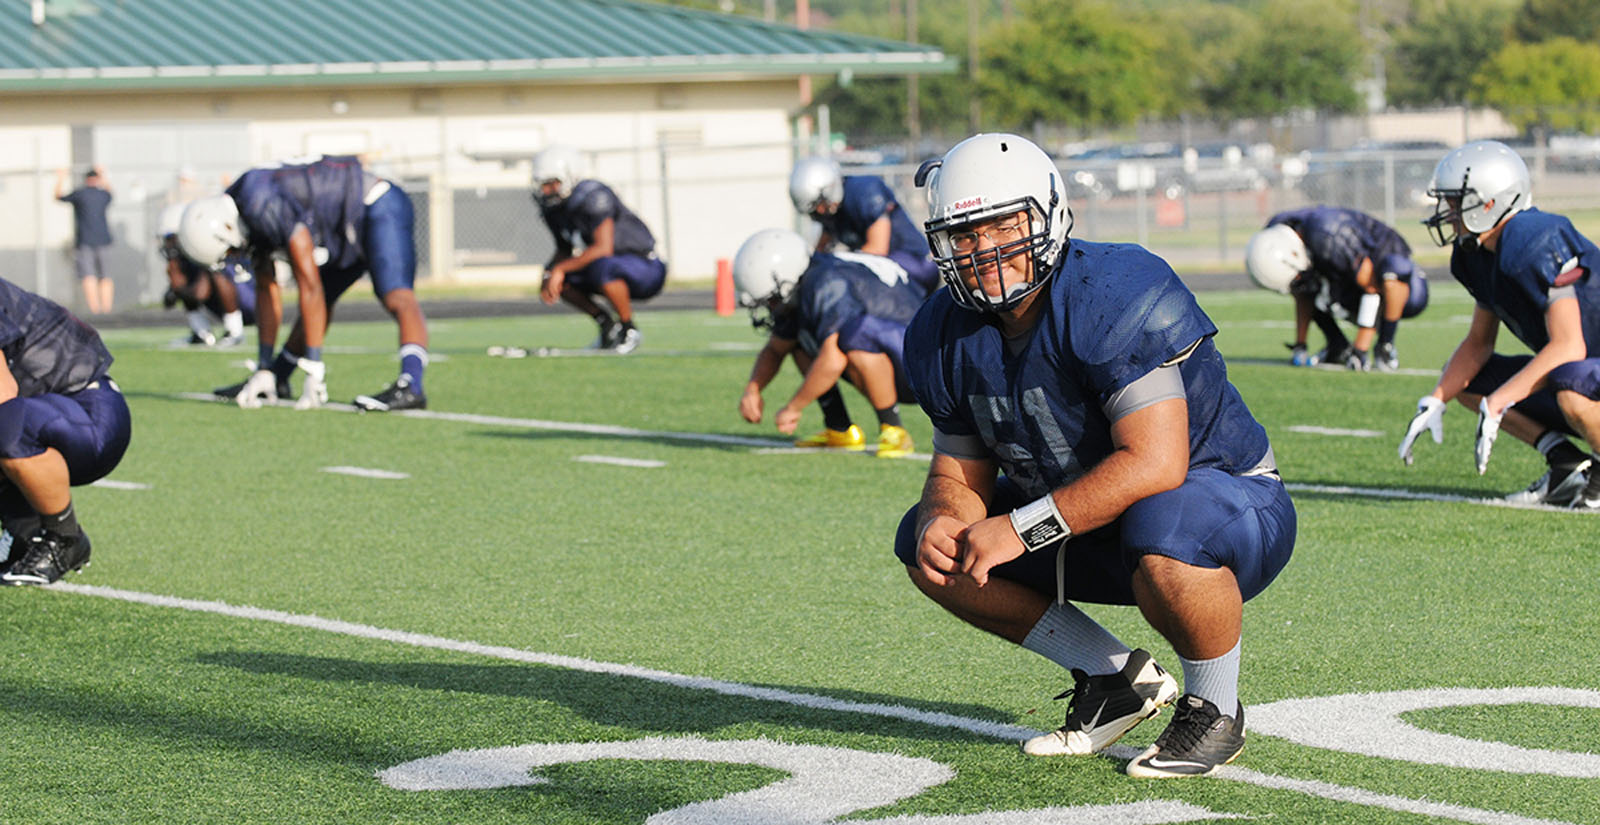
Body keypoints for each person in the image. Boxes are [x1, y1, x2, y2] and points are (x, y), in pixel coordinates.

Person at [895, 133, 1295, 778]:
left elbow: (1155, 463)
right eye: (965, 236)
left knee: (1164, 525)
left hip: (1223, 501)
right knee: (929, 547)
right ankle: (1116, 679)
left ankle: (1216, 709)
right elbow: (956, 470)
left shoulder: (1113, 288)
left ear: (1048, 215)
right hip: (1093, 517)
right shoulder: (940, 330)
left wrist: (1020, 530)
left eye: (1002, 225)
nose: (987, 251)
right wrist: (945, 515)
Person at [1400, 139, 1600, 508]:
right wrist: (1437, 399)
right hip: (1586, 370)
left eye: (1458, 202)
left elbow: (1570, 345)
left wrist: (1499, 403)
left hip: (1585, 370)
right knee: (1469, 381)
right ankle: (1567, 464)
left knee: (1571, 383)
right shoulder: (1475, 255)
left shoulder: (1534, 239)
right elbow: (1478, 343)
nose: (1448, 212)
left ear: (1491, 202)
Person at [177, 154, 431, 412]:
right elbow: (267, 288)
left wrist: (315, 367)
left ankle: (411, 385)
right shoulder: (243, 209)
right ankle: (277, 375)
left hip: (376, 203)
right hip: (341, 227)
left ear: (226, 230)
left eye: (227, 254)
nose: (233, 258)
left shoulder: (262, 206)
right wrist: (263, 367)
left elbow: (308, 284)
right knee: (322, 299)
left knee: (395, 294)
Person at [732, 228, 921, 457]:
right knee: (798, 341)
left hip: (920, 360)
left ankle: (894, 430)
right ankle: (839, 429)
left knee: (853, 335)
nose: (771, 307)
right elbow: (776, 348)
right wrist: (753, 389)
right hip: (894, 346)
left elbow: (833, 360)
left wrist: (793, 408)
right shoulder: (803, 280)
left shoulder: (827, 281)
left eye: (772, 299)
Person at [0, 277, 131, 586]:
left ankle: (65, 538)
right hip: (39, 415)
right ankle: (26, 535)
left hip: (89, 415)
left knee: (5, 424)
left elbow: (4, 396)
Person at [1245, 206, 1429, 372]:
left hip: (1398, 276)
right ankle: (1337, 345)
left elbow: (1372, 288)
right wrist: (1301, 345)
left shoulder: (1330, 236)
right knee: (1309, 284)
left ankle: (1385, 346)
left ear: (1292, 254)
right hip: (1340, 268)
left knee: (1393, 271)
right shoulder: (1276, 233)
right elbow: (1301, 292)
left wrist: (1360, 350)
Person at [531, 145, 666, 354]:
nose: (546, 190)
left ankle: (629, 329)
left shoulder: (593, 195)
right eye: (543, 185)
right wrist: (550, 272)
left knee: (603, 266)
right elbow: (564, 249)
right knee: (560, 277)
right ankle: (607, 327)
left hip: (645, 267)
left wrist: (560, 269)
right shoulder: (554, 209)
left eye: (552, 183)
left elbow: (604, 248)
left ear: (570, 176)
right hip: (608, 265)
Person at [789, 156, 939, 295]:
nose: (819, 212)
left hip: (917, 266)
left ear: (829, 188)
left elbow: (878, 249)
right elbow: (819, 253)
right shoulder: (831, 213)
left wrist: (836, 262)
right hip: (890, 270)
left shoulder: (864, 191)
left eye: (819, 205)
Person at [157, 202, 255, 347]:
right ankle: (202, 333)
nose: (168, 245)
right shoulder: (186, 260)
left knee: (216, 270)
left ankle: (235, 332)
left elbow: (200, 293)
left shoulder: (208, 247)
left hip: (252, 303)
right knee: (189, 282)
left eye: (170, 239)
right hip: (232, 305)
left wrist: (178, 289)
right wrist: (176, 288)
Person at [54, 166, 116, 315]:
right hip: (103, 240)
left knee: (89, 276)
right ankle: (106, 310)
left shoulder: (80, 194)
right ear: (97, 179)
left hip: (84, 241)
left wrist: (61, 177)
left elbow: (58, 196)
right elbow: (111, 192)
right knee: (105, 275)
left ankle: (95, 310)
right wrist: (104, 175)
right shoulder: (102, 194)